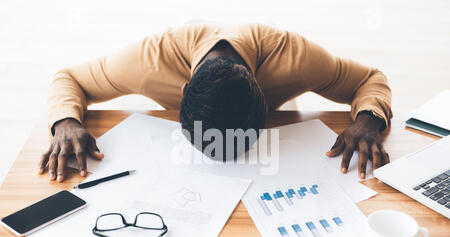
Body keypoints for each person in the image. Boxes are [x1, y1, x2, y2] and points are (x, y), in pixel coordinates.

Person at [38, 23, 392, 182]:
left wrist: (368, 118)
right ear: (182, 92)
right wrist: (66, 121)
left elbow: (370, 78)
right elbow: (68, 77)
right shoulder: (148, 61)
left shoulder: (295, 58)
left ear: (263, 94)